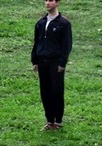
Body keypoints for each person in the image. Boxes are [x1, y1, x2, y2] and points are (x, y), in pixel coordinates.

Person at [31, 0, 72, 131]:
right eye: (46, 0)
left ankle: (58, 121)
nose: (47, 3)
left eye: (51, 0)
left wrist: (62, 62)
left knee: (57, 91)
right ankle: (49, 120)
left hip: (55, 62)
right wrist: (35, 60)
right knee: (45, 91)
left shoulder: (64, 23)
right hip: (42, 60)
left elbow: (66, 44)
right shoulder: (41, 22)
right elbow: (36, 42)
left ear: (57, 3)